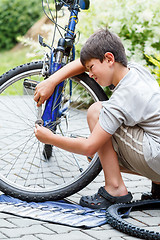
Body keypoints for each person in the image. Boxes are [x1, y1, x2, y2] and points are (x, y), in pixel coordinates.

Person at [34, 28, 160, 209]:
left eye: (91, 69)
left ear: (109, 59)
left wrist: (50, 138)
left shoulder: (124, 96)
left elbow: (88, 147)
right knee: (100, 150)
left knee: (96, 113)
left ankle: (115, 189)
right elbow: (84, 61)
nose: (90, 74)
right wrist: (52, 80)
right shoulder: (134, 71)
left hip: (156, 155)